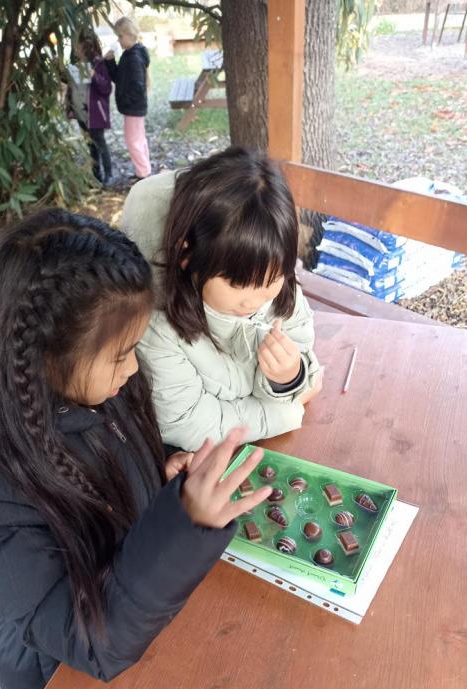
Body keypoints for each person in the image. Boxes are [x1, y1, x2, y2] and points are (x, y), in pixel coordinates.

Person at [0, 208, 271, 689]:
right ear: (45, 359)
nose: (134, 367)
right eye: (122, 355)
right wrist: (185, 525)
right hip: (60, 681)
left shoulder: (90, 380)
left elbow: (109, 450)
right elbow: (88, 641)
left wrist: (163, 467)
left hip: (139, 611)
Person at [120, 147, 322, 453]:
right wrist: (287, 410)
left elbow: (307, 363)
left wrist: (289, 378)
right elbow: (187, 423)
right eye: (236, 283)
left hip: (270, 447)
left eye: (271, 280)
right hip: (201, 465)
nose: (253, 301)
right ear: (188, 255)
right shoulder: (160, 329)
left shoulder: (283, 295)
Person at [104, 17, 151, 179]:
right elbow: (119, 78)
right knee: (139, 139)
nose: (118, 40)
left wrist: (126, 100)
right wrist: (110, 63)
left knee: (133, 141)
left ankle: (144, 174)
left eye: (120, 36)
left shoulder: (134, 58)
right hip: (134, 107)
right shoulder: (128, 55)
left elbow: (138, 86)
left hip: (133, 107)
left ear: (130, 35)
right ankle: (144, 170)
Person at [66, 30, 114, 186]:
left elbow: (106, 88)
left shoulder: (98, 63)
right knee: (90, 145)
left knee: (100, 144)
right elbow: (71, 84)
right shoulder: (75, 64)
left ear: (87, 46)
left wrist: (94, 75)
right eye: (75, 47)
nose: (76, 50)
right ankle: (96, 175)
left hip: (95, 113)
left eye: (78, 47)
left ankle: (109, 174)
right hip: (80, 112)